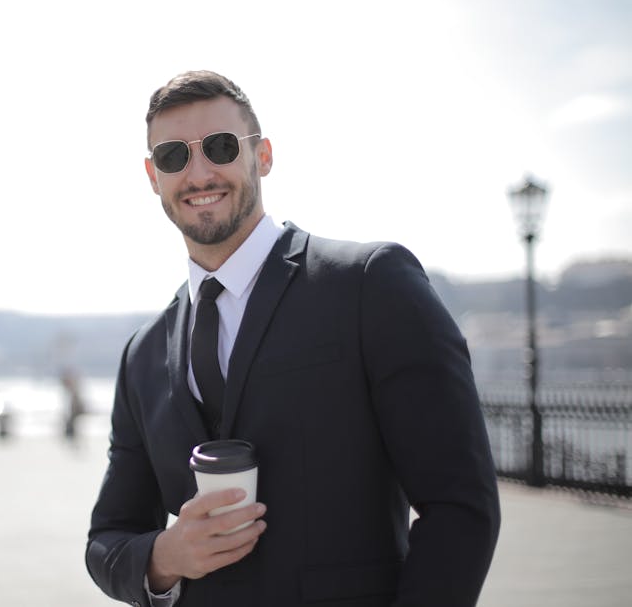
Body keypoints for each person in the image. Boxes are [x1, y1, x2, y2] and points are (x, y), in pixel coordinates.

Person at [86, 71, 501, 607]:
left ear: (263, 156)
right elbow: (107, 540)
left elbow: (460, 506)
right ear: (152, 175)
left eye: (220, 147)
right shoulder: (142, 354)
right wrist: (166, 556)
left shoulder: (370, 285)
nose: (199, 172)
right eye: (173, 156)